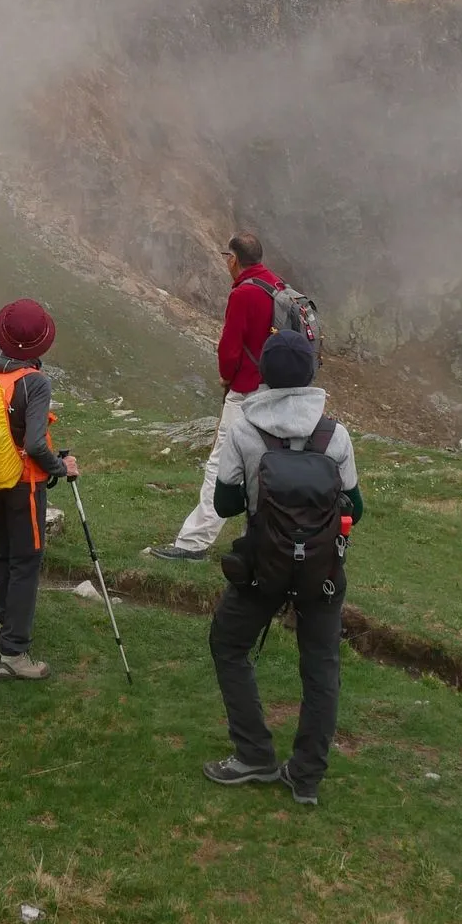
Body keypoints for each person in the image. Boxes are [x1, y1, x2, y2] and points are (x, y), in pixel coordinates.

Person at [203, 329, 363, 805]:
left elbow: (226, 503)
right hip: (322, 570)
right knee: (321, 666)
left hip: (262, 566)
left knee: (229, 643)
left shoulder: (245, 430)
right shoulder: (334, 435)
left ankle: (253, 753)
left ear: (265, 374)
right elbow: (355, 506)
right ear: (310, 373)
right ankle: (306, 776)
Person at [150, 231, 284, 561]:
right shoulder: (277, 286)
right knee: (267, 465)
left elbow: (230, 346)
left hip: (246, 391)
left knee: (222, 464)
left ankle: (193, 542)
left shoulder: (243, 293)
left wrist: (227, 376)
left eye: (227, 257)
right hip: (276, 391)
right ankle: (262, 537)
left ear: (233, 259)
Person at [0, 300, 77, 682]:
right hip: (23, 484)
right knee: (27, 561)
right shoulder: (34, 382)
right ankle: (14, 653)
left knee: (6, 552)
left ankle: (3, 619)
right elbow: (34, 443)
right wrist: (60, 467)